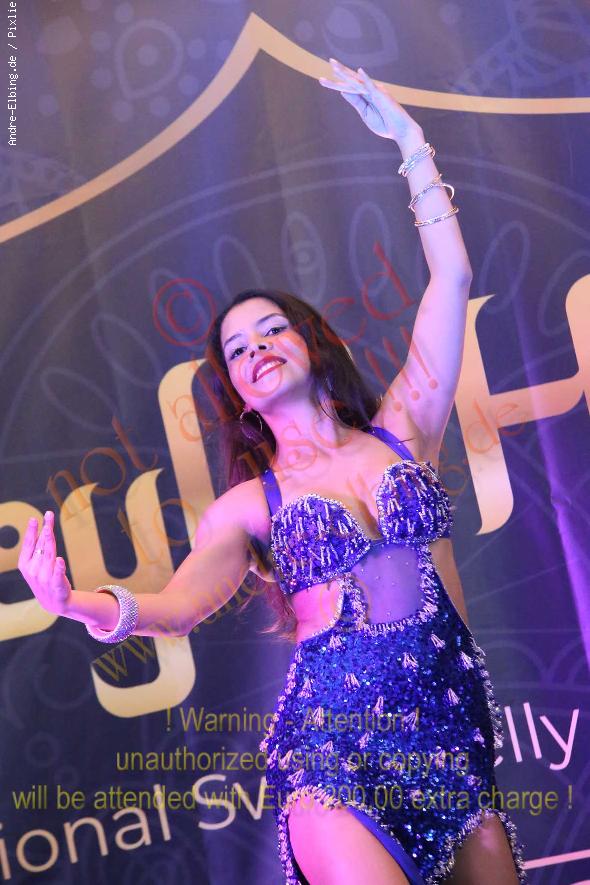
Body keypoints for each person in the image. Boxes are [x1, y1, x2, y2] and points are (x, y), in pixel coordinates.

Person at [18, 60, 528, 885]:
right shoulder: (249, 507)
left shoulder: (405, 429)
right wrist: (75, 601)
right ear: (237, 392)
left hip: (452, 740)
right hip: (334, 756)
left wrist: (410, 143)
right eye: (237, 350)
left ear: (311, 341)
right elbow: (177, 607)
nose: (255, 349)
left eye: (270, 330)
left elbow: (453, 278)